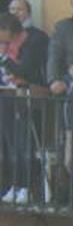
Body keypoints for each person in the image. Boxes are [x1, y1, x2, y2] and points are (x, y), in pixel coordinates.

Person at [0, 12, 47, 206]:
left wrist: (3, 58)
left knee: (24, 144)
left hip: (25, 97)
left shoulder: (31, 42)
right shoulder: (7, 45)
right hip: (7, 96)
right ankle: (14, 184)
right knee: (11, 144)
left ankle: (26, 186)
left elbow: (25, 70)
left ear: (8, 30)